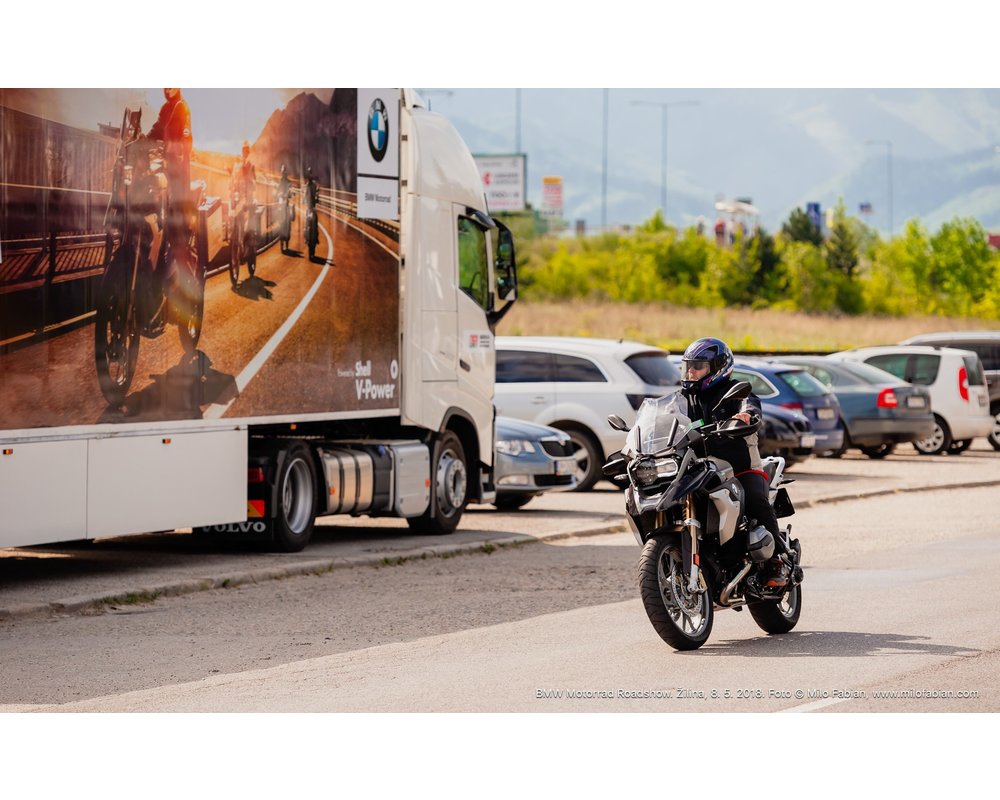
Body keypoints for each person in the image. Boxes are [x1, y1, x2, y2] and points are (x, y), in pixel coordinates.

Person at [678, 337, 789, 589]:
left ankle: (777, 559)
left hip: (740, 467)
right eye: (688, 366)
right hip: (700, 469)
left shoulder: (737, 390)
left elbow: (750, 406)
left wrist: (746, 415)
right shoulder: (683, 398)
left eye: (698, 366)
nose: (691, 372)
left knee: (754, 498)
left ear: (717, 368)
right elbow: (667, 419)